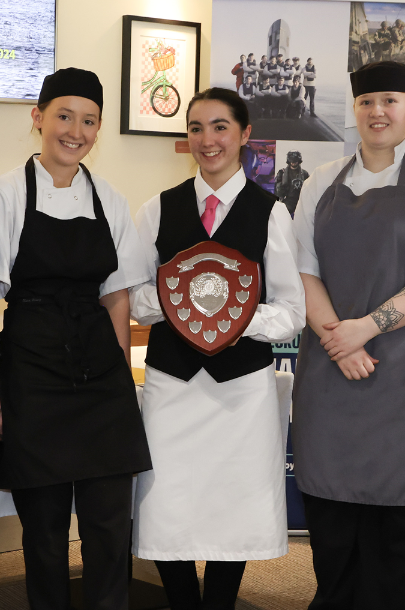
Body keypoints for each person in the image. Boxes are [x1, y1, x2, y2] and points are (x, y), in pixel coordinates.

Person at [290, 60, 405, 609]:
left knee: (399, 534)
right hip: (333, 376)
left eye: (391, 100)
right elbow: (303, 272)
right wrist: (336, 341)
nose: (378, 112)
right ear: (355, 109)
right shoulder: (321, 183)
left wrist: (363, 330)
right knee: (333, 527)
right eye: (367, 101)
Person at [131, 87, 306, 610]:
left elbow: (291, 311)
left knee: (235, 506)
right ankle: (184, 601)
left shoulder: (271, 213)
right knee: (166, 504)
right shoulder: (156, 209)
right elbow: (135, 300)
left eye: (220, 127)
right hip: (171, 384)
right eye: (195, 128)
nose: (207, 140)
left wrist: (232, 314)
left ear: (245, 135)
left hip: (240, 390)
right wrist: (185, 299)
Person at [0, 68, 152, 610]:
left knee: (110, 526)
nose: (75, 131)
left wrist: (120, 383)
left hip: (100, 374)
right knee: (45, 531)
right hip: (32, 373)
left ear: (99, 128)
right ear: (38, 119)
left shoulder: (109, 198)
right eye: (64, 116)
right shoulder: (6, 192)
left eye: (89, 121)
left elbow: (117, 298)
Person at [273, 150, 308, 216]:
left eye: (295, 161)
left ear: (298, 161)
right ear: (289, 161)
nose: (293, 163)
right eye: (292, 161)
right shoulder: (282, 173)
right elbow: (276, 189)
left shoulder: (304, 174)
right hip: (287, 200)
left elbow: (309, 189)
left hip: (301, 201)